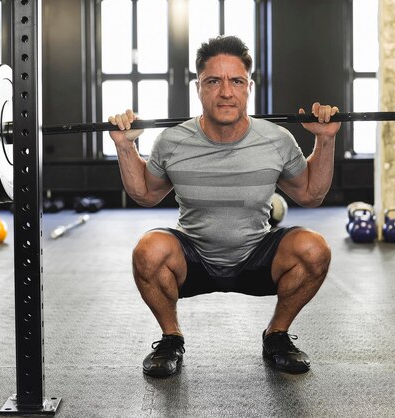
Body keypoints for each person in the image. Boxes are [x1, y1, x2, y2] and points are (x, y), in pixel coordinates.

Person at [108, 35, 340, 377]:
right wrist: (126, 147)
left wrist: (325, 139)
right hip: (194, 258)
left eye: (236, 81)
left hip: (256, 257)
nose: (226, 92)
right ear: (198, 87)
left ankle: (276, 335)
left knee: (314, 249)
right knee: (148, 250)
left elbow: (310, 194)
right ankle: (171, 339)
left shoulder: (276, 140)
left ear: (249, 87)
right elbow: (145, 194)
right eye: (213, 81)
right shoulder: (172, 141)